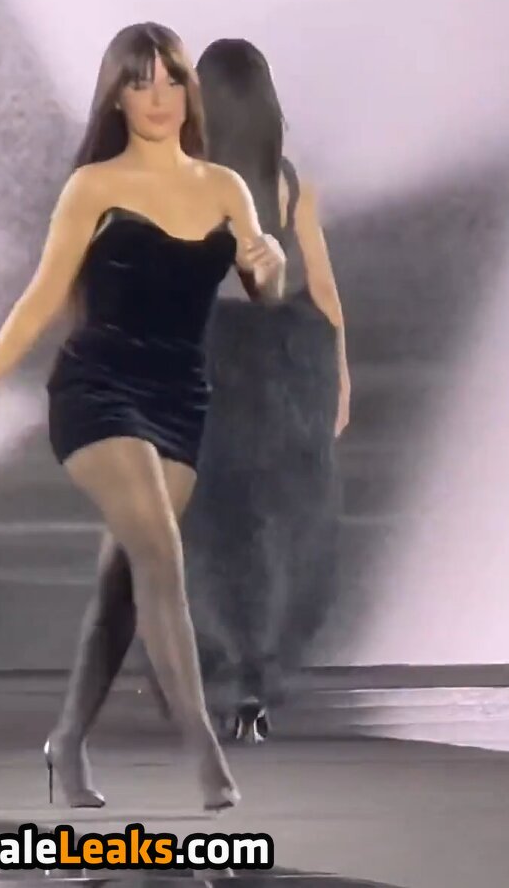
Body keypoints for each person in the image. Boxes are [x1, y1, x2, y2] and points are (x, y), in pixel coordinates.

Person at [0, 22, 286, 812]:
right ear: (117, 97)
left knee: (124, 583)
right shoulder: (94, 187)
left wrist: (269, 266)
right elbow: (43, 294)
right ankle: (203, 749)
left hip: (180, 399)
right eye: (139, 82)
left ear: (188, 92)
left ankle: (66, 740)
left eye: (170, 80)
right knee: (159, 553)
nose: (157, 97)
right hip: (96, 389)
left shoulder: (224, 188)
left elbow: (262, 287)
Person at [184, 38, 350, 741]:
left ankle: (230, 671)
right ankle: (263, 670)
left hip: (213, 357)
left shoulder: (184, 182)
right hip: (287, 357)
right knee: (283, 523)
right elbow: (323, 287)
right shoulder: (287, 184)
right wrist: (338, 375)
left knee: (215, 525)